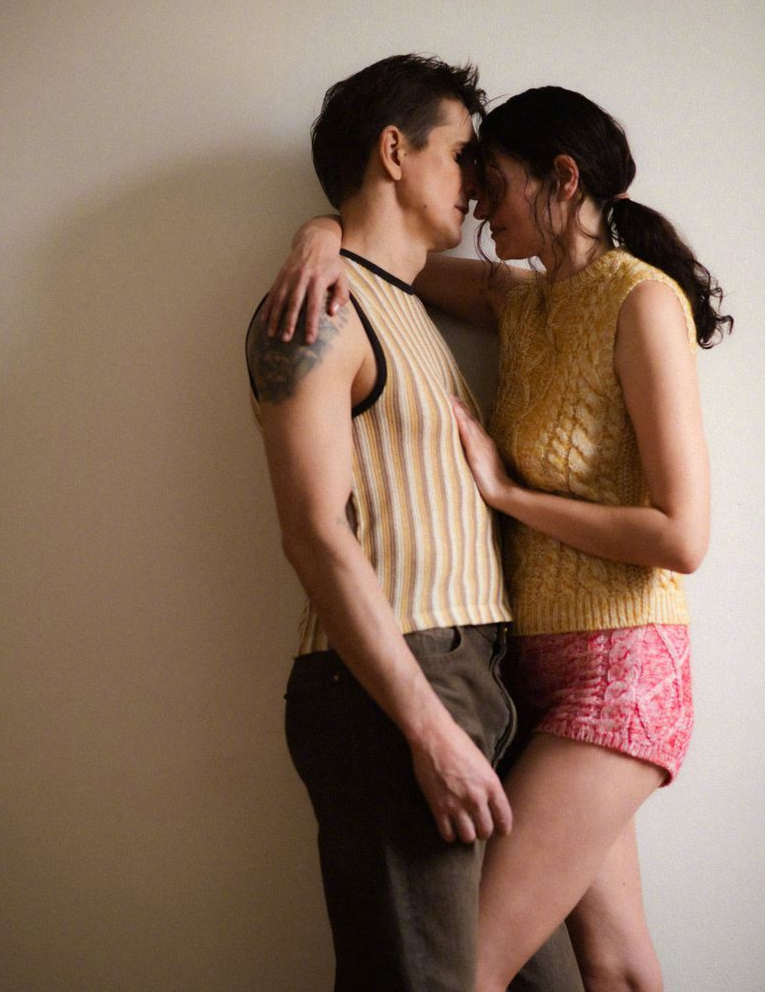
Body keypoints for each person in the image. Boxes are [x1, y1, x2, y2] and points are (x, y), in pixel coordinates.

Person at [266, 85, 732, 991]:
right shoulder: (521, 302)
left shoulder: (642, 300)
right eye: (468, 176)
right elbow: (379, 260)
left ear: (563, 179)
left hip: (620, 667)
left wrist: (510, 495)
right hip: (531, 672)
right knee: (614, 962)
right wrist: (314, 236)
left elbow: (683, 535)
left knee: (467, 964)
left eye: (497, 181)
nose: (478, 202)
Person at [246, 58, 584, 992]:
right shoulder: (314, 310)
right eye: (462, 153)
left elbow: (555, 284)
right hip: (392, 687)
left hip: (480, 676)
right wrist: (428, 729)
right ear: (394, 151)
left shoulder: (402, 296)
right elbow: (313, 531)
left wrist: (319, 229)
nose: (478, 180)